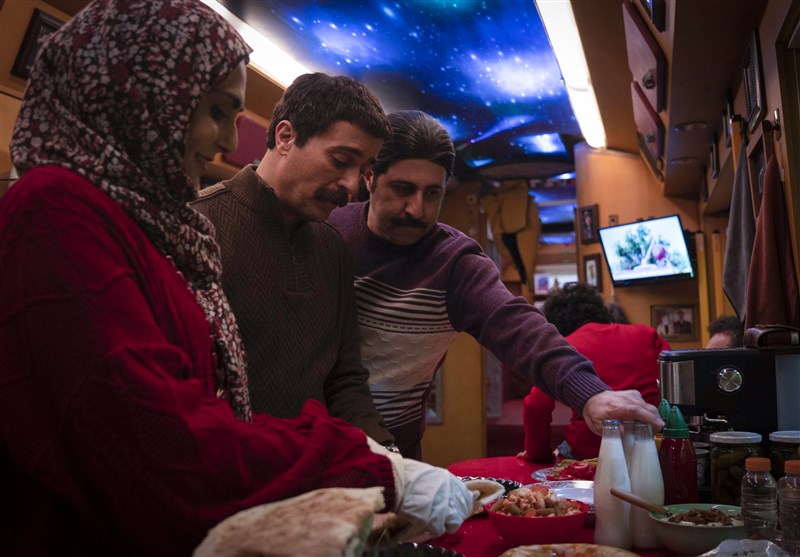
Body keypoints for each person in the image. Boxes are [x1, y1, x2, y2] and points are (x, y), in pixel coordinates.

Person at [0, 3, 472, 555]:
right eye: (218, 111)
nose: (228, 139)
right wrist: (360, 465)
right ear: (143, 97)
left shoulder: (154, 225)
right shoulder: (64, 212)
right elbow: (162, 439)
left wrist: (382, 458)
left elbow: (337, 378)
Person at [327, 110, 664, 458]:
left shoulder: (454, 262)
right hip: (311, 439)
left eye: (432, 193)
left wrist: (591, 393)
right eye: (403, 189)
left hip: (397, 452)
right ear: (370, 177)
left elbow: (519, 327)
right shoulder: (329, 234)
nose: (417, 208)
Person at [190, 72, 395, 447]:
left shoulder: (332, 248)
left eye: (363, 170)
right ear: (285, 137)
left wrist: (388, 455)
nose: (351, 185)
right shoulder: (197, 227)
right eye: (340, 160)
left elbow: (345, 379)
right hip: (226, 470)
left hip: (316, 471)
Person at [520, 282, 670, 461]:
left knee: (563, 450)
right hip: (652, 446)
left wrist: (538, 454)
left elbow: (535, 406)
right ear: (601, 310)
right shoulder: (647, 334)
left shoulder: (565, 349)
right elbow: (673, 382)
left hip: (591, 453)